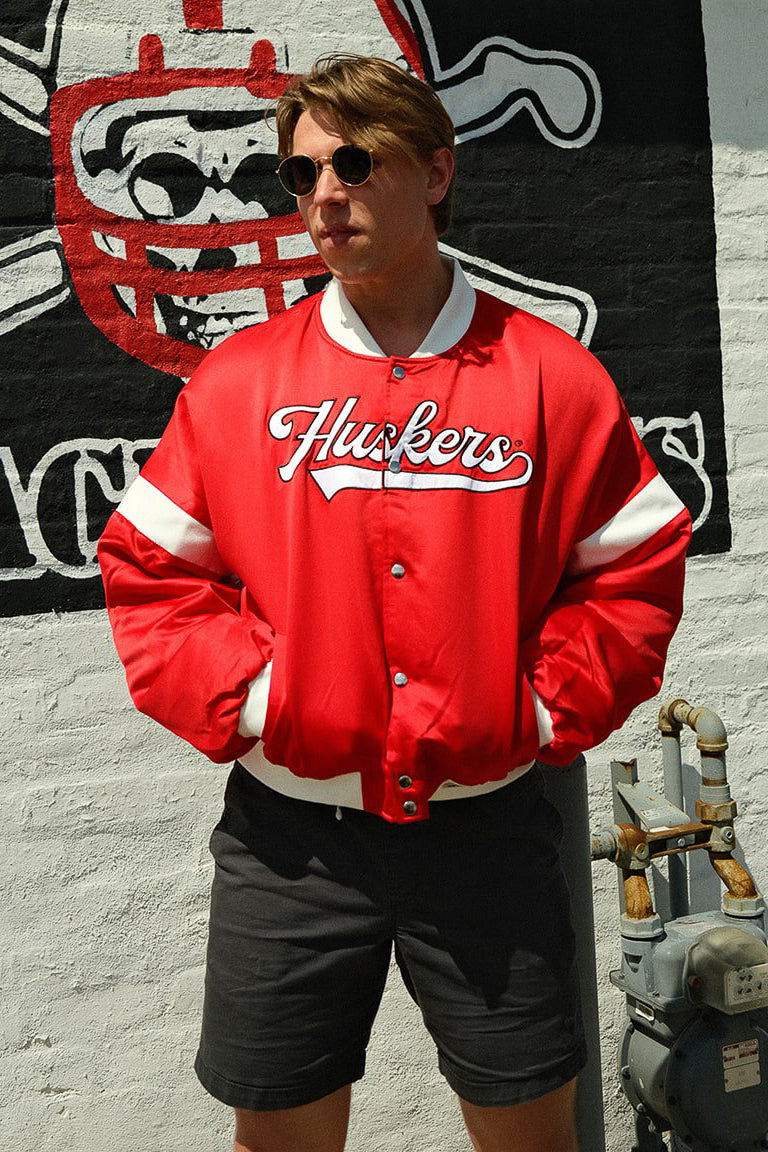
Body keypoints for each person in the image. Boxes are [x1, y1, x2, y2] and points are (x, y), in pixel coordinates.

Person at [98, 55, 691, 1152]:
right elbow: (151, 573)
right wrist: (265, 705)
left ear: (437, 172)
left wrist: (539, 710)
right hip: (291, 843)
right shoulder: (238, 384)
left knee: (531, 1138)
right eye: (303, 172)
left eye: (358, 162)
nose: (327, 193)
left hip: (489, 835)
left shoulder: (550, 376)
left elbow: (634, 569)